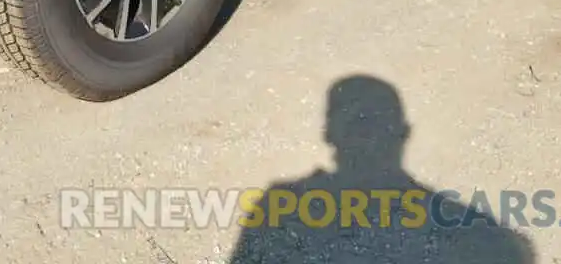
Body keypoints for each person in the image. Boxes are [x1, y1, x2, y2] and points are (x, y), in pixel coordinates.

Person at [228, 75, 536, 263]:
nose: (365, 140)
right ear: (404, 134)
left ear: (327, 135)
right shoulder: (480, 231)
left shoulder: (281, 203)